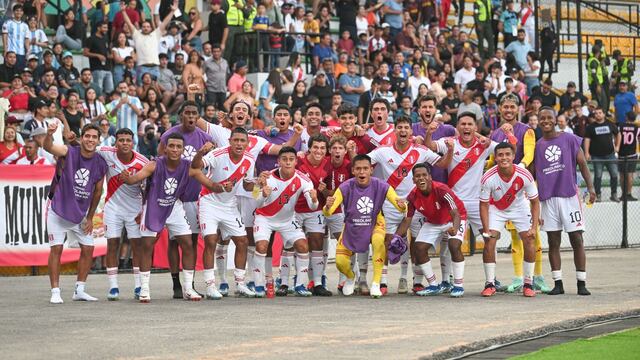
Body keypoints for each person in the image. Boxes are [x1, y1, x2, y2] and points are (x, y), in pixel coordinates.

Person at [120, 132, 218, 302]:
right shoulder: (154, 165)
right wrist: (128, 179)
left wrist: (223, 187)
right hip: (153, 206)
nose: (174, 149)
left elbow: (210, 184)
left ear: (182, 149)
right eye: (171, 146)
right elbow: (135, 178)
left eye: (178, 146)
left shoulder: (187, 166)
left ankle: (188, 288)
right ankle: (144, 289)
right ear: (165, 148)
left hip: (174, 206)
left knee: (188, 243)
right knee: (147, 246)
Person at [364, 115, 452, 295]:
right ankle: (383, 281)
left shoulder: (420, 150)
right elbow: (363, 163)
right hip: (391, 204)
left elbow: (442, 164)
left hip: (417, 204)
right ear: (394, 130)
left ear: (411, 131)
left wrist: (450, 151)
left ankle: (416, 280)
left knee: (417, 243)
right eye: (399, 127)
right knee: (387, 241)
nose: (403, 131)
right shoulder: (383, 150)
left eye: (406, 128)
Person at [41, 122, 108, 304]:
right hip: (58, 209)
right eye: (87, 136)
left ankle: (80, 290)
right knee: (56, 249)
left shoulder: (100, 163)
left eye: (94, 137)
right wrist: (49, 134)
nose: (90, 140)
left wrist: (89, 217)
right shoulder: (68, 151)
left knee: (88, 248)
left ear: (98, 140)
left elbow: (98, 191)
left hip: (80, 213)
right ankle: (55, 291)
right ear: (81, 137)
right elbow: (48, 147)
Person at [323, 154, 406, 298]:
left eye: (365, 168)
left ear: (371, 170)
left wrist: (402, 206)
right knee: (340, 263)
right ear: (353, 171)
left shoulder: (381, 185)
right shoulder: (345, 187)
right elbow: (329, 212)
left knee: (379, 241)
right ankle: (350, 277)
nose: (362, 172)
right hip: (352, 226)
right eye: (358, 169)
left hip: (375, 223)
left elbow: (400, 207)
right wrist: (327, 207)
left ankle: (375, 283)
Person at [534, 107, 595, 296]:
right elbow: (532, 172)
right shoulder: (537, 145)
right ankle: (558, 283)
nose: (545, 121)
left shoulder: (568, 138)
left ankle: (581, 283)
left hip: (569, 196)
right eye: (542, 118)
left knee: (577, 239)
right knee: (553, 241)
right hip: (548, 198)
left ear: (555, 120)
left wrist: (591, 188)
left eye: (549, 118)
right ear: (538, 121)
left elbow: (583, 163)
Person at [190, 127, 257, 299]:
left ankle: (240, 284)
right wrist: (200, 152)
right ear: (230, 141)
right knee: (211, 241)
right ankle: (210, 285)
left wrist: (259, 183)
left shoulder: (249, 159)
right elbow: (195, 167)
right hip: (209, 202)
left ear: (247, 144)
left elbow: (247, 185)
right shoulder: (218, 154)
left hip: (229, 206)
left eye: (243, 141)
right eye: (236, 140)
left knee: (242, 241)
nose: (239, 144)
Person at [158, 101, 213, 298]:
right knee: (174, 241)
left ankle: (190, 283)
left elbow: (210, 167)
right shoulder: (168, 135)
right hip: (175, 199)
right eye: (187, 113)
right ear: (181, 115)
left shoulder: (206, 138)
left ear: (198, 116)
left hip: (195, 196)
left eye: (194, 113)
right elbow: (159, 165)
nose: (191, 117)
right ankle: (176, 284)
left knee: (192, 240)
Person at [252, 146, 319, 297]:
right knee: (262, 246)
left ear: (296, 161)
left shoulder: (304, 180)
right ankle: (259, 285)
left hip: (287, 220)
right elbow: (255, 201)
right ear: (278, 161)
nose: (288, 162)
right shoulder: (265, 177)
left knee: (302, 245)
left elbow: (312, 206)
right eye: (284, 159)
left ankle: (300, 285)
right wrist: (262, 193)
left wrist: (314, 199)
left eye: (291, 159)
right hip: (264, 218)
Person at [394, 163, 467, 297]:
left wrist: (455, 228)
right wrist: (396, 237)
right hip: (434, 222)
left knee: (454, 245)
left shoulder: (442, 189)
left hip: (454, 219)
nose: (421, 178)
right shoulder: (413, 195)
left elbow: (456, 213)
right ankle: (433, 285)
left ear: (430, 177)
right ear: (413, 180)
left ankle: (458, 285)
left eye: (424, 175)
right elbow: (407, 220)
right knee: (418, 248)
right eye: (417, 176)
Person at [479, 142, 540, 297]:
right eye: (500, 155)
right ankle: (490, 283)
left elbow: (535, 202)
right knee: (489, 240)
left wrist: (533, 227)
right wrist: (486, 229)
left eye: (507, 154)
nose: (504, 158)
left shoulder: (524, 175)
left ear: (513, 156)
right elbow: (484, 205)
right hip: (497, 209)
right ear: (496, 157)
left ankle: (528, 283)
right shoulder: (488, 177)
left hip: (520, 208)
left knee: (529, 239)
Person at [95, 128, 148, 300]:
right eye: (121, 140)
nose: (124, 143)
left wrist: (144, 211)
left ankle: (139, 286)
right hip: (113, 208)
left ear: (133, 143)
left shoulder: (143, 161)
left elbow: (148, 189)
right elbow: (85, 148)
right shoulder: (106, 153)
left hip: (135, 210)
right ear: (115, 142)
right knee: (112, 245)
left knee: (137, 247)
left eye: (128, 140)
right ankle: (113, 287)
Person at [122, 0, 176, 82]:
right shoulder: (137, 35)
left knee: (155, 91)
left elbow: (165, 22)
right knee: (141, 91)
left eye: (148, 26)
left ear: (151, 28)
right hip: (141, 68)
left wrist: (172, 11)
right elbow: (129, 23)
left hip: (155, 68)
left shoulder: (155, 34)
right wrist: (123, 11)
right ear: (141, 27)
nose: (146, 28)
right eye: (144, 26)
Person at [584, 107, 619, 202]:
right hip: (596, 156)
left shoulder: (610, 124)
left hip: (610, 155)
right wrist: (586, 153)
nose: (598, 115)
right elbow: (587, 140)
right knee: (598, 176)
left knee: (614, 175)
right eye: (596, 113)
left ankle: (614, 194)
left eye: (600, 113)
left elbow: (617, 134)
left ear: (604, 114)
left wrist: (617, 146)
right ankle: (598, 195)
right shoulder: (591, 127)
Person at [616, 111, 640, 201]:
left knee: (622, 175)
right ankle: (629, 193)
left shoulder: (620, 127)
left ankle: (623, 194)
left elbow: (616, 138)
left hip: (621, 153)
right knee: (630, 175)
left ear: (626, 117)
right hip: (632, 154)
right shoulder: (637, 128)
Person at [204, 44, 229, 111]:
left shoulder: (225, 62)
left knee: (223, 109)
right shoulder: (207, 62)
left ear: (221, 52)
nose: (216, 53)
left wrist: (226, 85)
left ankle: (221, 122)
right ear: (212, 52)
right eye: (214, 51)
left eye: (218, 51)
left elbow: (227, 74)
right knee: (210, 108)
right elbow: (202, 74)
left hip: (222, 89)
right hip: (211, 89)